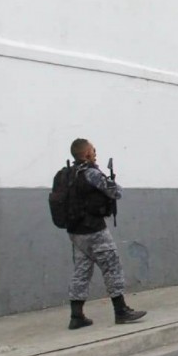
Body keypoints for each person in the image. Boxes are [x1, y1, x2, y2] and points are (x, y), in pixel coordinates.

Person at [65, 138, 146, 329]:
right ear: (86, 153)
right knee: (112, 268)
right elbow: (116, 192)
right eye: (93, 150)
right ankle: (121, 310)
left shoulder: (66, 174)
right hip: (95, 230)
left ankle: (76, 315)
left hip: (75, 231)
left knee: (81, 271)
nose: (95, 153)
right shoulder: (91, 173)